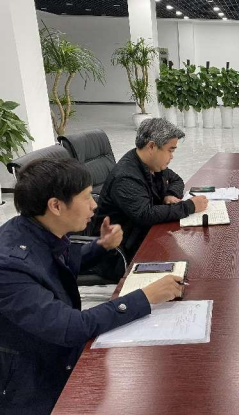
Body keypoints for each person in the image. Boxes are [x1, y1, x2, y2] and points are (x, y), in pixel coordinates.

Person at [0, 159, 185, 414]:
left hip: (56, 354)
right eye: (86, 197)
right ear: (56, 206)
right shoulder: (9, 268)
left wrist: (101, 246)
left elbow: (60, 265)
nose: (94, 205)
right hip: (32, 382)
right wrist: (144, 297)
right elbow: (71, 327)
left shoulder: (37, 228)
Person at [93, 118, 208, 278]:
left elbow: (176, 180)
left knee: (193, 259)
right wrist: (190, 206)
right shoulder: (126, 177)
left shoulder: (150, 164)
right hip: (122, 253)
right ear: (152, 146)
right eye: (170, 150)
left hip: (144, 236)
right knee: (191, 270)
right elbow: (145, 215)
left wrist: (170, 194)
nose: (172, 156)